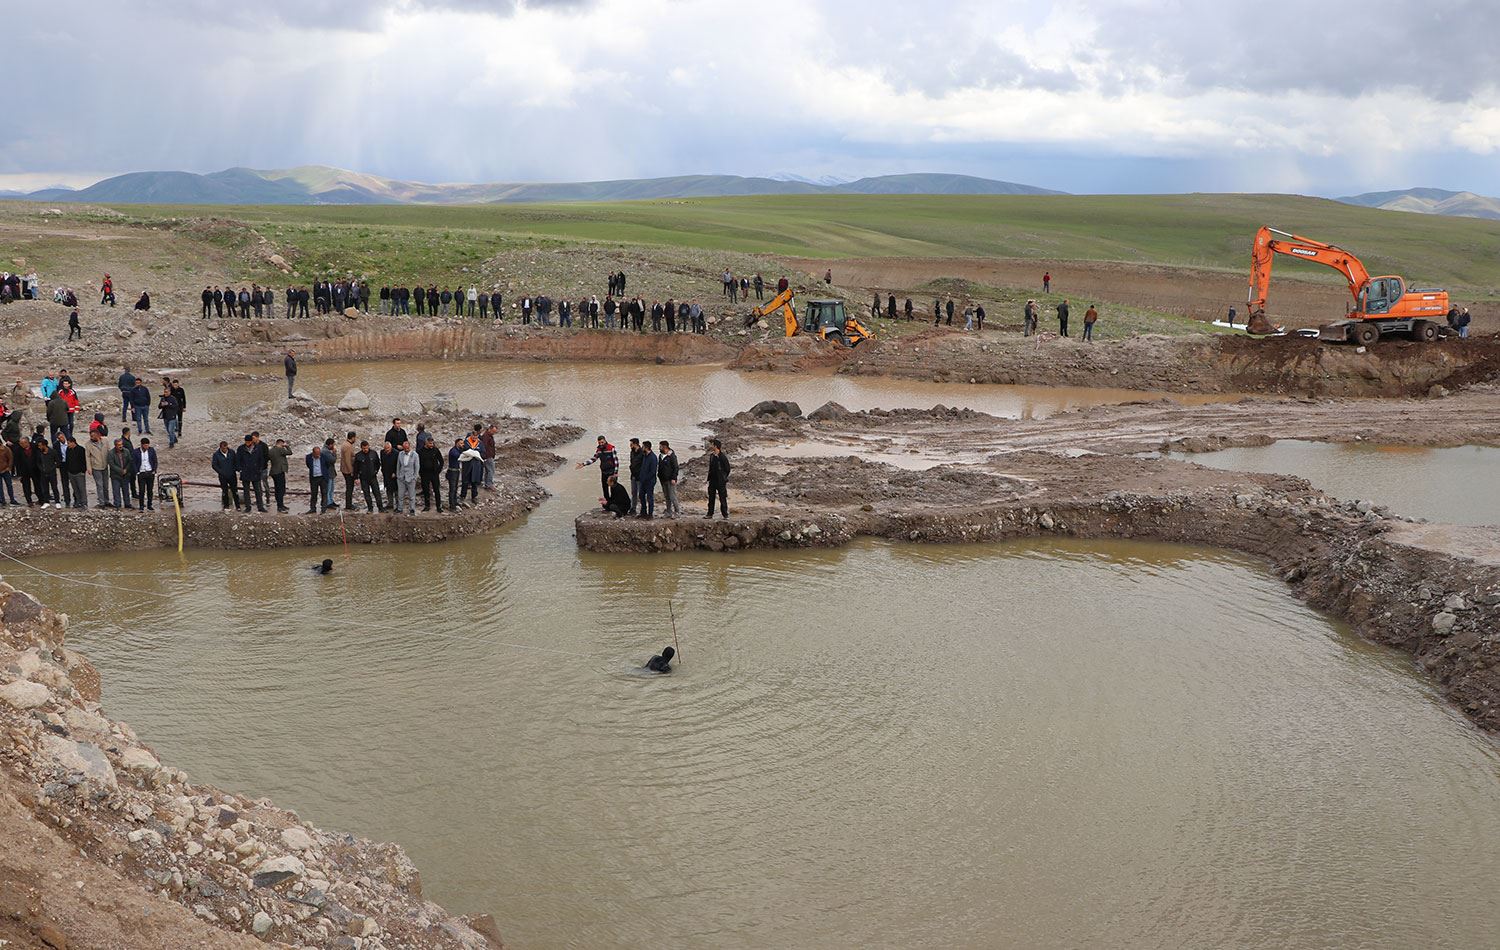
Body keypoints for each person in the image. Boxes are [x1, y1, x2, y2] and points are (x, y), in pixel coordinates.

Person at [354, 440, 385, 512]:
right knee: (366, 494)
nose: (365, 450)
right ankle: (370, 508)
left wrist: (375, 471)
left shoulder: (373, 453)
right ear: (361, 448)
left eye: (366, 448)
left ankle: (380, 508)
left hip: (373, 477)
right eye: (364, 448)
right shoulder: (358, 456)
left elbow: (378, 463)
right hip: (363, 478)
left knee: (377, 493)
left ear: (368, 446)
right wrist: (356, 477)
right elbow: (356, 468)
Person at [84, 430, 109, 508]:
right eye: (90, 436)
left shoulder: (105, 440)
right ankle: (101, 503)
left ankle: (106, 501)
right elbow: (87, 457)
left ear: (98, 435)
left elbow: (109, 451)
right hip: (96, 467)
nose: (91, 437)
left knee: (106, 485)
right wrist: (89, 468)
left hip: (105, 466)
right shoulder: (88, 444)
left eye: (93, 436)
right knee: (99, 485)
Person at [706, 439, 730, 519]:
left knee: (722, 498)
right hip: (712, 480)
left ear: (715, 446)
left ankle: (725, 514)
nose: (711, 446)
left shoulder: (722, 457)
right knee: (711, 498)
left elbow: (727, 469)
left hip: (720, 481)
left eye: (712, 445)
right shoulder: (712, 456)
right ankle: (710, 514)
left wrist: (723, 477)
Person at [418, 437, 445, 512]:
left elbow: (441, 461)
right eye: (430, 443)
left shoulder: (435, 450)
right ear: (426, 443)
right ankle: (427, 506)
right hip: (425, 474)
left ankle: (439, 507)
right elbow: (418, 463)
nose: (431, 444)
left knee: (436, 490)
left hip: (434, 473)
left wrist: (438, 470)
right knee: (426, 490)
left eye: (432, 443)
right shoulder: (421, 451)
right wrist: (420, 472)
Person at [212, 440, 240, 510]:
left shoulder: (232, 452)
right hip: (223, 476)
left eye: (226, 448)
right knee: (225, 491)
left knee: (235, 491)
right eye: (223, 448)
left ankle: (238, 505)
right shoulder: (216, 454)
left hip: (232, 475)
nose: (225, 450)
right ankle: (226, 505)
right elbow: (214, 465)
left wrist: (235, 469)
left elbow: (236, 461)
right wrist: (220, 472)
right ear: (220, 448)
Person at [107, 438, 133, 509]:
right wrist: (121, 470)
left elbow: (129, 461)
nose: (120, 446)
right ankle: (117, 504)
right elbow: (111, 464)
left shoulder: (126, 451)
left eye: (121, 444)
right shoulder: (111, 453)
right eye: (119, 445)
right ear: (115, 445)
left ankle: (127, 504)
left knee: (126, 490)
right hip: (115, 475)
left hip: (125, 474)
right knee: (116, 491)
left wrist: (126, 469)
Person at [63, 435, 87, 509]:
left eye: (69, 443)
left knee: (82, 489)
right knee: (75, 489)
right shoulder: (68, 450)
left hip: (79, 473)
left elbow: (84, 461)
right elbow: (67, 460)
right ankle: (78, 502)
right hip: (71, 473)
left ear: (73, 442)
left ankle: (84, 503)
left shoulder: (81, 449)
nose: (68, 444)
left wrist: (83, 471)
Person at [133, 438, 157, 511]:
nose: (147, 447)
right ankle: (141, 506)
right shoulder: (136, 452)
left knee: (150, 490)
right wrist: (137, 472)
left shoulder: (151, 450)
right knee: (141, 490)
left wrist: (154, 470)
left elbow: (155, 460)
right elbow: (133, 462)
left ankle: (149, 505)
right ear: (142, 445)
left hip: (150, 472)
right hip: (141, 473)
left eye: (147, 445)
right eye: (145, 445)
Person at [305, 444, 331, 513]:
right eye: (316, 454)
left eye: (319, 454)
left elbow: (327, 465)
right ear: (313, 453)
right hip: (314, 478)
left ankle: (323, 508)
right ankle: (313, 508)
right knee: (314, 493)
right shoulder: (308, 457)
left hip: (323, 477)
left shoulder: (324, 457)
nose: (318, 456)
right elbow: (308, 465)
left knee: (324, 493)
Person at [395, 440, 419, 514]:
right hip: (401, 478)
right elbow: (398, 465)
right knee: (400, 495)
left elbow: (417, 467)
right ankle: (400, 508)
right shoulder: (400, 454)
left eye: (407, 448)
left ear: (410, 447)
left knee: (411, 495)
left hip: (411, 478)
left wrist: (415, 477)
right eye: (404, 448)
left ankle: (412, 509)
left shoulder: (415, 455)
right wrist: (398, 475)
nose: (406, 450)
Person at [268, 437, 291, 512]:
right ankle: (280, 506)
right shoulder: (280, 449)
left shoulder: (271, 450)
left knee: (277, 489)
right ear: (280, 443)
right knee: (281, 489)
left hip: (274, 471)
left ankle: (280, 505)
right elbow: (290, 452)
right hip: (280, 471)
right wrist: (286, 446)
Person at [658, 440, 680, 518]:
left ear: (665, 447)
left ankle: (677, 512)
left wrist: (674, 478)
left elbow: (676, 468)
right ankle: (668, 511)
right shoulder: (660, 455)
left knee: (672, 496)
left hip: (670, 480)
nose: (659, 448)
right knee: (667, 496)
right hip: (663, 479)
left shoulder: (672, 456)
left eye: (660, 446)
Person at [637, 440, 658, 519]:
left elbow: (653, 472)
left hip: (649, 482)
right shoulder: (645, 455)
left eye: (643, 446)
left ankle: (650, 514)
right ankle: (643, 512)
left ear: (646, 447)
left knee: (649, 498)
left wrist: (645, 479)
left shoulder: (653, 458)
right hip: (643, 481)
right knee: (641, 496)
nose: (641, 448)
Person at [340, 431, 359, 511]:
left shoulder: (345, 444)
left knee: (349, 487)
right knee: (349, 488)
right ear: (353, 437)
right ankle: (349, 505)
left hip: (344, 469)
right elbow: (348, 460)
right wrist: (351, 471)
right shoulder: (348, 446)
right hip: (347, 470)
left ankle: (349, 503)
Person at [626, 438, 644, 515]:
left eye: (631, 444)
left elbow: (644, 465)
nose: (630, 445)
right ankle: (633, 508)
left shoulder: (642, 453)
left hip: (640, 476)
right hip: (633, 475)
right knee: (633, 493)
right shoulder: (632, 452)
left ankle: (643, 510)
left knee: (641, 494)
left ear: (635, 444)